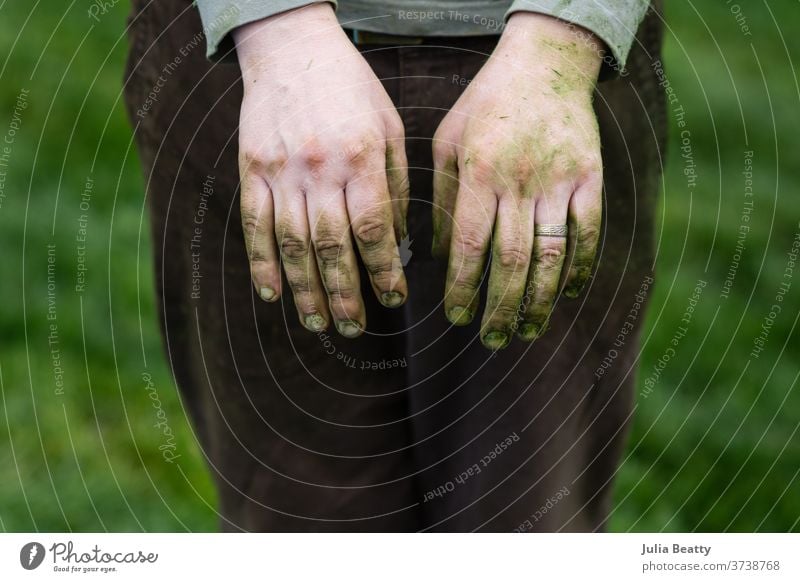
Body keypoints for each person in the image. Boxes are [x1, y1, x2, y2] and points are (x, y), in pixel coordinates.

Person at [123, 0, 665, 531]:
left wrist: (557, 48)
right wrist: (281, 32)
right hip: (249, 64)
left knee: (527, 517)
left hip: (562, 73)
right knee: (298, 521)